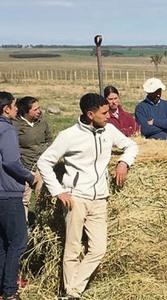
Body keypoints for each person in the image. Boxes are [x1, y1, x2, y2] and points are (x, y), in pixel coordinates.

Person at [37, 93, 138, 299]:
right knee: (72, 248)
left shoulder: (108, 130)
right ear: (90, 114)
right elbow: (44, 162)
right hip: (76, 198)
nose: (109, 115)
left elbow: (131, 145)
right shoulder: (68, 135)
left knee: (99, 249)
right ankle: (72, 294)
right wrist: (58, 191)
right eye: (104, 113)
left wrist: (124, 162)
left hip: (100, 198)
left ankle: (72, 290)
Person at [0, 91, 37, 300]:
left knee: (2, 243)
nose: (16, 109)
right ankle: (11, 291)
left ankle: (2, 288)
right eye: (14, 106)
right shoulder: (7, 130)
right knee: (18, 241)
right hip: (8, 192)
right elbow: (11, 162)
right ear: (6, 109)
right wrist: (29, 176)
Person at [14, 96, 51, 220]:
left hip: (41, 166)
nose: (39, 111)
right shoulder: (16, 125)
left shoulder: (42, 123)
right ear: (26, 111)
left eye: (39, 108)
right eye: (35, 109)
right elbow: (13, 148)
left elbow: (49, 140)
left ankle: (43, 222)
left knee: (43, 197)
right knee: (24, 198)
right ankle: (23, 226)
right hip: (24, 167)